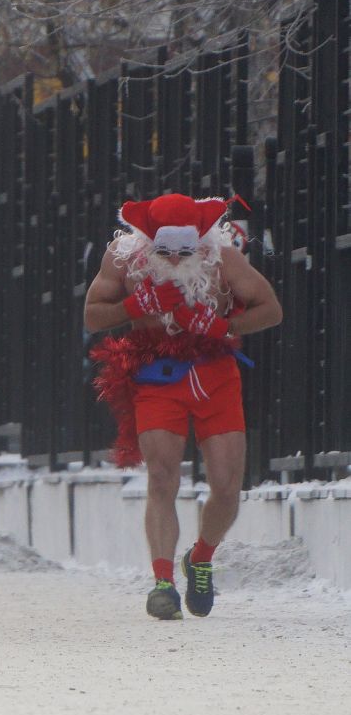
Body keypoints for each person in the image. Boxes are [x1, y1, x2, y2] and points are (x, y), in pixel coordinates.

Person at [84, 193, 280, 619]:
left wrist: (222, 325)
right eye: (164, 251)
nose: (174, 259)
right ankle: (162, 583)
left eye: (184, 250)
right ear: (147, 240)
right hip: (156, 373)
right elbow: (93, 315)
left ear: (200, 240)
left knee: (227, 486)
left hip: (215, 374)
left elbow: (271, 310)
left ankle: (200, 558)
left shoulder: (223, 257)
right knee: (161, 476)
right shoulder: (123, 258)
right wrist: (136, 306)